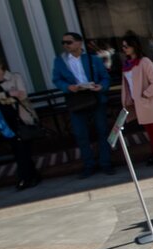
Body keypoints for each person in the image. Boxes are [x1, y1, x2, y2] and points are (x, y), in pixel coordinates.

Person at [52, 31, 114, 179]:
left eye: (69, 42)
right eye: (63, 43)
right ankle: (89, 165)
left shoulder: (93, 59)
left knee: (102, 131)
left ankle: (106, 163)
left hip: (95, 98)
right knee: (81, 135)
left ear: (79, 43)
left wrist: (101, 86)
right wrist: (68, 87)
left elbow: (105, 78)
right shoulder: (60, 61)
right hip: (76, 100)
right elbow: (56, 79)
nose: (66, 45)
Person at [0, 55, 41, 190]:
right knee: (16, 149)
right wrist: (5, 95)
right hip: (2, 119)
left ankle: (26, 177)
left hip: (19, 116)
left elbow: (22, 95)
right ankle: (30, 176)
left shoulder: (15, 77)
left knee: (24, 148)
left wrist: (0, 98)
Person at [120, 34, 153, 166]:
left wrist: (145, 95)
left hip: (149, 102)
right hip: (137, 103)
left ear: (134, 46)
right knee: (149, 130)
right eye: (123, 46)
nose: (124, 49)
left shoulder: (145, 61)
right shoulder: (127, 64)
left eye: (127, 46)